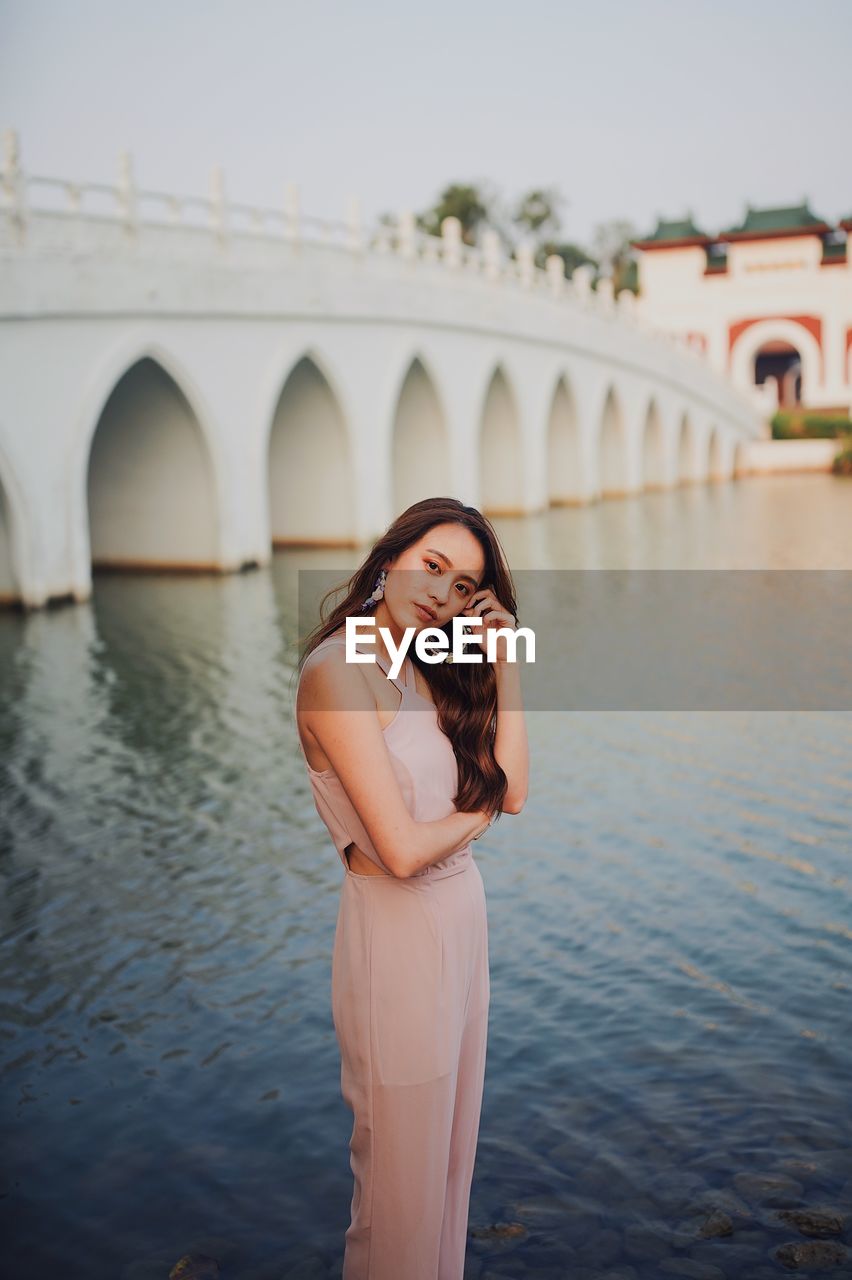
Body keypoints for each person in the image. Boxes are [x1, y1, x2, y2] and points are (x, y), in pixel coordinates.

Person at [293, 496, 529, 1280]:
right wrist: (482, 810)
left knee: (449, 1171)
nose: (441, 593)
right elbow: (398, 850)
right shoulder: (335, 673)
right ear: (392, 555)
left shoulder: (426, 669)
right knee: (399, 1188)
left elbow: (515, 787)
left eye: (464, 586)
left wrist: (505, 662)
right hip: (394, 936)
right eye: (433, 566)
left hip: (461, 919)